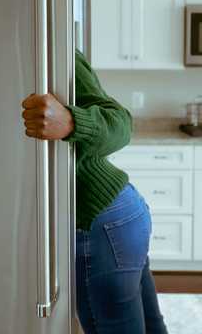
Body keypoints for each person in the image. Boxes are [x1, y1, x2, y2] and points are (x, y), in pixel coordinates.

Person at [22, 50, 168, 334]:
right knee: (150, 327)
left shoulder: (54, 50)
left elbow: (120, 125)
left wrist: (72, 122)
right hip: (116, 216)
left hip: (100, 220)